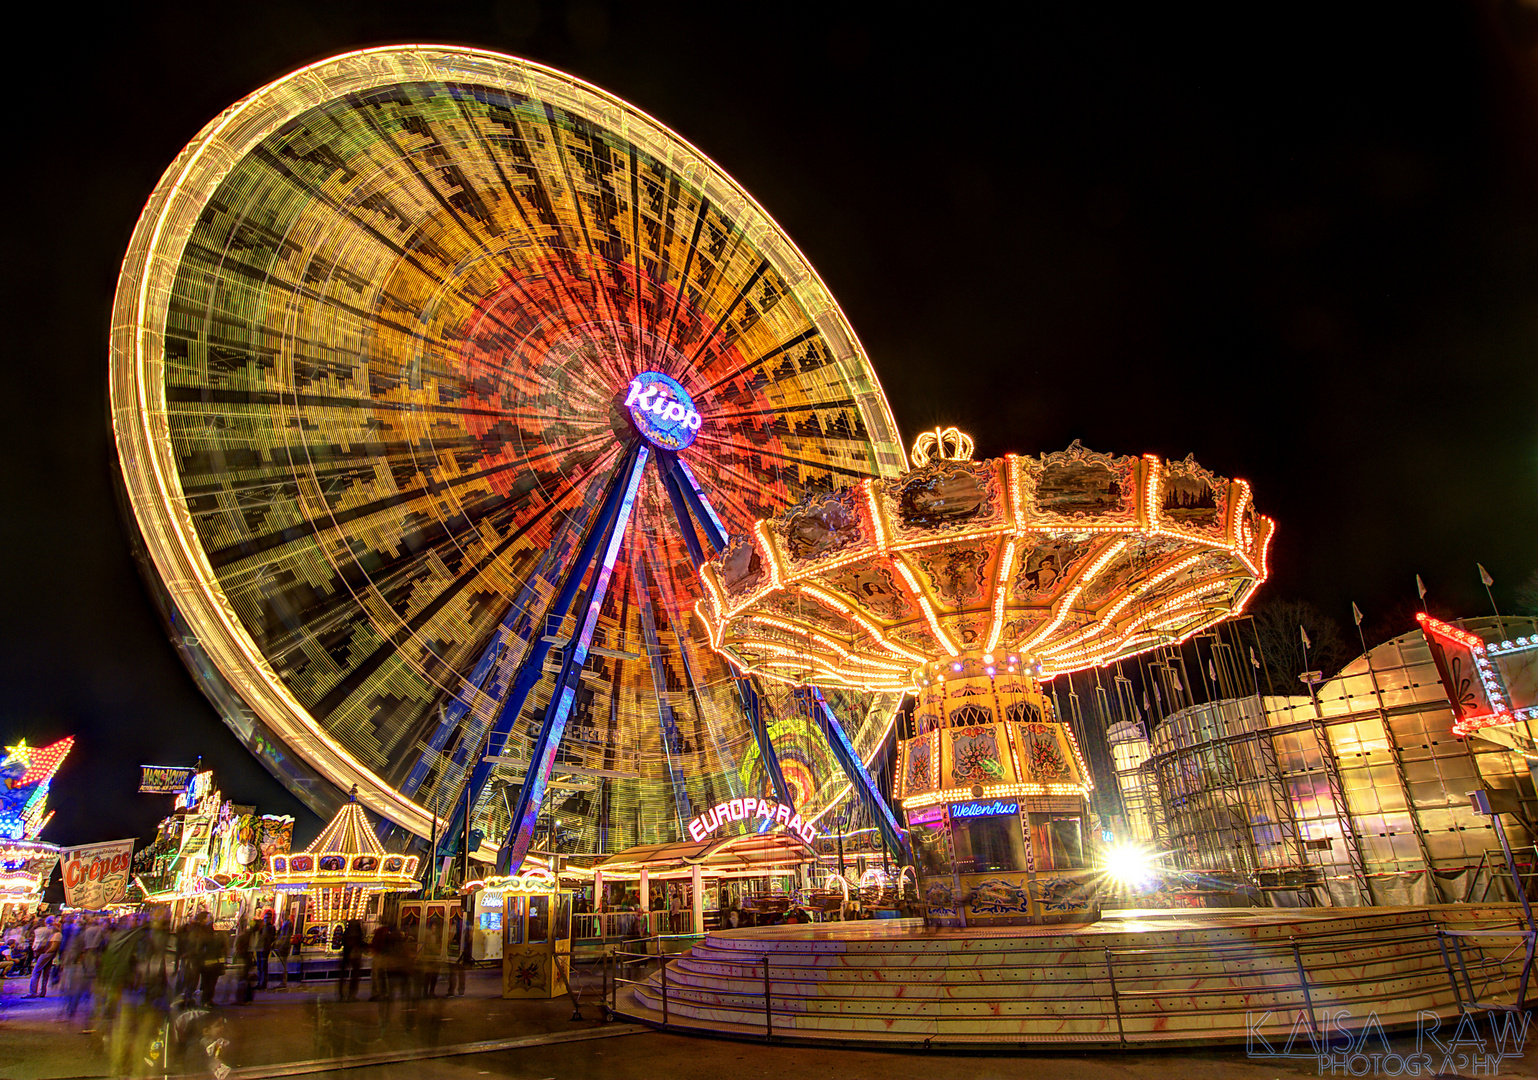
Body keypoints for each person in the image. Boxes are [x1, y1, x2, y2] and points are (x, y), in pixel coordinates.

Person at [27, 917, 61, 997]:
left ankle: (33, 992)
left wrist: (45, 952)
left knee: (36, 971)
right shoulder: (55, 934)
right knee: (46, 973)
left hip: (47, 954)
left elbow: (53, 946)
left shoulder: (56, 935)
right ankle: (42, 992)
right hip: (49, 954)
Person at [338, 918, 365, 1001]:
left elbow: (343, 941)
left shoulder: (347, 933)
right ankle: (351, 994)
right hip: (355, 955)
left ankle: (342, 994)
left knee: (344, 975)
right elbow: (360, 942)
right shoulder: (357, 933)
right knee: (354, 975)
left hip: (347, 954)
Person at [447, 913, 471, 997]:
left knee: (453, 972)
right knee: (461, 973)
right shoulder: (467, 923)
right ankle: (461, 990)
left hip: (454, 951)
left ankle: (451, 990)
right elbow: (470, 937)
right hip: (463, 951)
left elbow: (450, 938)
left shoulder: (454, 925)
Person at [255, 912, 276, 989]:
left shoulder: (271, 927)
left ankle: (263, 983)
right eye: (265, 918)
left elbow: (270, 938)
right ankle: (259, 982)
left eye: (268, 918)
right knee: (259, 966)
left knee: (263, 966)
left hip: (264, 949)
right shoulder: (262, 927)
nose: (266, 919)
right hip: (259, 948)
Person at [274, 914, 294, 989]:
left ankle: (284, 981)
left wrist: (282, 944)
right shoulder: (286, 923)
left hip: (284, 945)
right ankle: (283, 980)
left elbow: (286, 935)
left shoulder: (287, 923)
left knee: (283, 964)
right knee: (283, 963)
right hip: (283, 944)